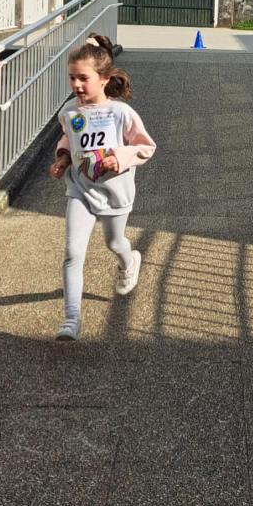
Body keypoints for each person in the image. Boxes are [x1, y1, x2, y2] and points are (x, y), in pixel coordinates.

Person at [49, 34, 156, 340]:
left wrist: (119, 158)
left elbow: (146, 147)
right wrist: (62, 158)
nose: (76, 85)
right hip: (80, 190)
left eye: (83, 78)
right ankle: (71, 319)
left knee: (114, 242)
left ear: (104, 79)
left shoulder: (121, 113)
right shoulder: (70, 111)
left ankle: (130, 261)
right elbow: (68, 138)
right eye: (72, 78)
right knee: (72, 253)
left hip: (115, 194)